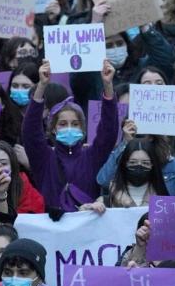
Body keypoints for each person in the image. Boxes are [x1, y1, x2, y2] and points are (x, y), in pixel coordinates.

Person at [23, 59, 118, 211]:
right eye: (62, 124)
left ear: (83, 129)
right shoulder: (44, 157)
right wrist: (41, 86)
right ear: (53, 129)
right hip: (51, 229)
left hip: (87, 227)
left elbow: (109, 131)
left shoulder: (92, 156)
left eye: (75, 124)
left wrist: (107, 86)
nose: (69, 128)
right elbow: (30, 132)